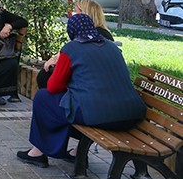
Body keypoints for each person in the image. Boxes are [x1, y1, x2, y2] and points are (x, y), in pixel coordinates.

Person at [17, 14, 145, 168]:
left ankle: (37, 153)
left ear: (71, 31)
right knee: (70, 104)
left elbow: (53, 86)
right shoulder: (112, 47)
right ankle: (76, 152)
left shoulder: (72, 48)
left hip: (100, 115)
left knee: (43, 98)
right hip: (131, 114)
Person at [37, 0, 114, 88]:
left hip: (88, 83)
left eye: (75, 11)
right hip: (98, 82)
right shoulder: (103, 34)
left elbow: (72, 56)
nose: (72, 14)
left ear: (84, 14)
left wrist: (55, 60)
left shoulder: (91, 36)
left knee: (44, 78)